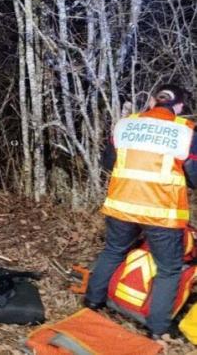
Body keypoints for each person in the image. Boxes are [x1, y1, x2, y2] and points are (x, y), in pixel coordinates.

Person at [84, 84, 197, 340]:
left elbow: (108, 163)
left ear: (153, 100)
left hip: (121, 204)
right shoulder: (185, 131)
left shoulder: (125, 124)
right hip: (161, 211)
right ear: (178, 105)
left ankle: (92, 302)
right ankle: (158, 328)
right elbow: (194, 175)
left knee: (113, 250)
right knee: (168, 268)